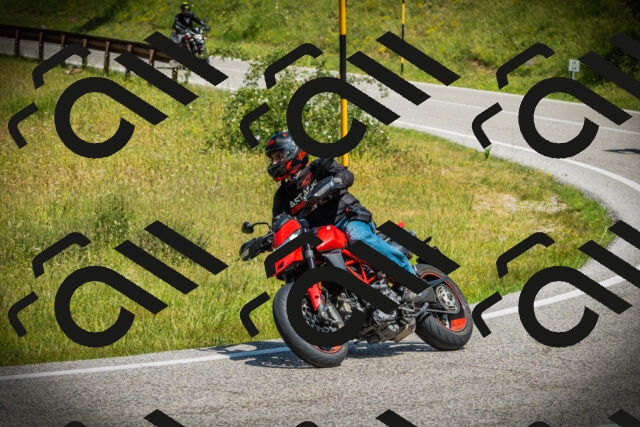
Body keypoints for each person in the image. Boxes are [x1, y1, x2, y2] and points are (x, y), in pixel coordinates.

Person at [266, 130, 430, 305]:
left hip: (346, 219)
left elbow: (346, 176)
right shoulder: (282, 197)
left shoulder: (318, 168)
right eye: (272, 158)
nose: (274, 162)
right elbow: (279, 224)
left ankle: (410, 280)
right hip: (318, 236)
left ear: (295, 152)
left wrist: (332, 183)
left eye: (279, 156)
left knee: (358, 238)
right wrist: (265, 240)